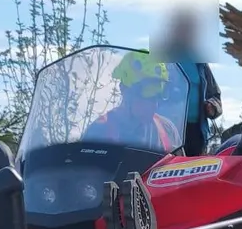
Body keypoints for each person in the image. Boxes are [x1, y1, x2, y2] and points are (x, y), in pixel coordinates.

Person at [155, 9, 224, 156]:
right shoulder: (162, 59)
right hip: (166, 130)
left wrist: (212, 106)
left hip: (195, 132)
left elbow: (216, 96)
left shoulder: (200, 63)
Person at [84, 51, 181, 152]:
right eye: (146, 95)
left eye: (157, 96)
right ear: (124, 90)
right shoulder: (99, 131)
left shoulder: (167, 129)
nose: (154, 105)